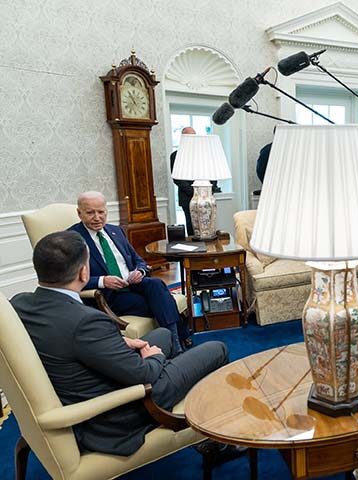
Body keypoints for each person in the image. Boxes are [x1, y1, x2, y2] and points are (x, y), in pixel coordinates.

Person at [10, 231, 230, 456]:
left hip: (90, 378)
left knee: (162, 333)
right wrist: (154, 357)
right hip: (120, 409)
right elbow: (144, 375)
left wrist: (117, 343)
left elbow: (64, 338)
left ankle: (178, 392)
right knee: (217, 349)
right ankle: (221, 440)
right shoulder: (86, 321)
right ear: (84, 272)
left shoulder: (19, 304)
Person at [69, 191, 186, 353]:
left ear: (106, 211)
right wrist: (103, 280)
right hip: (109, 295)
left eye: (101, 212)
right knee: (163, 301)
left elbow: (138, 260)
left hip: (132, 284)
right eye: (90, 213)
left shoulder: (115, 231)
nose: (97, 217)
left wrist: (140, 271)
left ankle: (174, 345)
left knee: (156, 284)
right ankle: (179, 340)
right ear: (79, 213)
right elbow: (69, 279)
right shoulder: (71, 238)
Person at [169, 127, 219, 236]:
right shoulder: (175, 156)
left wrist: (211, 189)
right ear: (183, 138)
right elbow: (177, 178)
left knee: (208, 227)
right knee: (192, 228)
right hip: (187, 197)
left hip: (207, 196)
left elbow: (213, 173)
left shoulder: (204, 154)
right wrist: (194, 192)